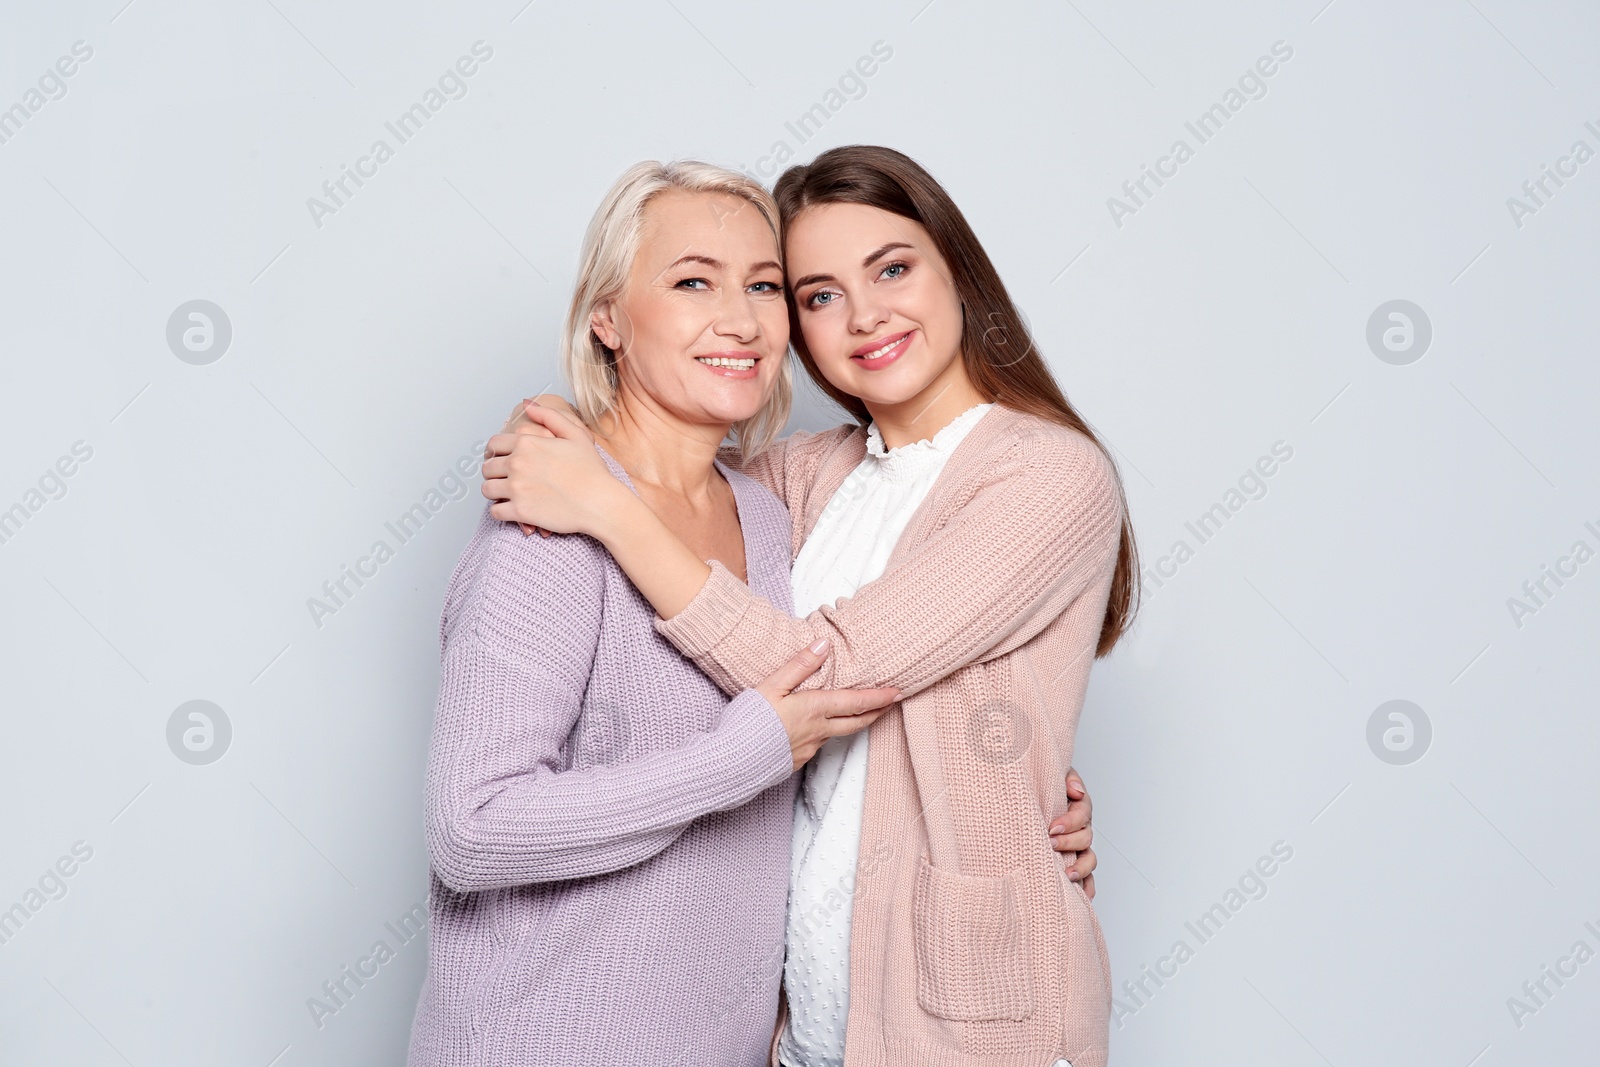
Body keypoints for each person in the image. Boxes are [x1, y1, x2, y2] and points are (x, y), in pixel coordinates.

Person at [410, 157, 1094, 1067]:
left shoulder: (794, 505)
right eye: (815, 292)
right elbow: (474, 826)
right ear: (604, 317)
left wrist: (1024, 796)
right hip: (597, 1037)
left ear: (958, 272)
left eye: (765, 287)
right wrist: (581, 465)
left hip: (902, 1026)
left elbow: (849, 674)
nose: (742, 319)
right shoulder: (758, 492)